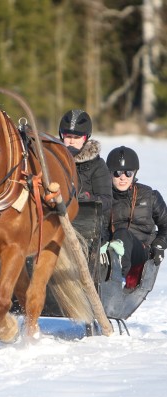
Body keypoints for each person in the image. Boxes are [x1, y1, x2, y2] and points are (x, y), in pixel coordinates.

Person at [105, 145, 167, 285]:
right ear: (110, 173)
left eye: (128, 173)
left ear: (134, 174)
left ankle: (118, 280)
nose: (123, 178)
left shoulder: (149, 196)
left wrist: (160, 245)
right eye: (117, 173)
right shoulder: (104, 198)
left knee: (123, 234)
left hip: (141, 252)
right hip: (110, 250)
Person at [59, 109, 112, 244]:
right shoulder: (53, 160)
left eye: (76, 138)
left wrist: (88, 198)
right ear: (61, 136)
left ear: (86, 138)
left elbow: (107, 200)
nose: (71, 141)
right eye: (68, 136)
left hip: (87, 225)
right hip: (57, 219)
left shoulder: (97, 165)